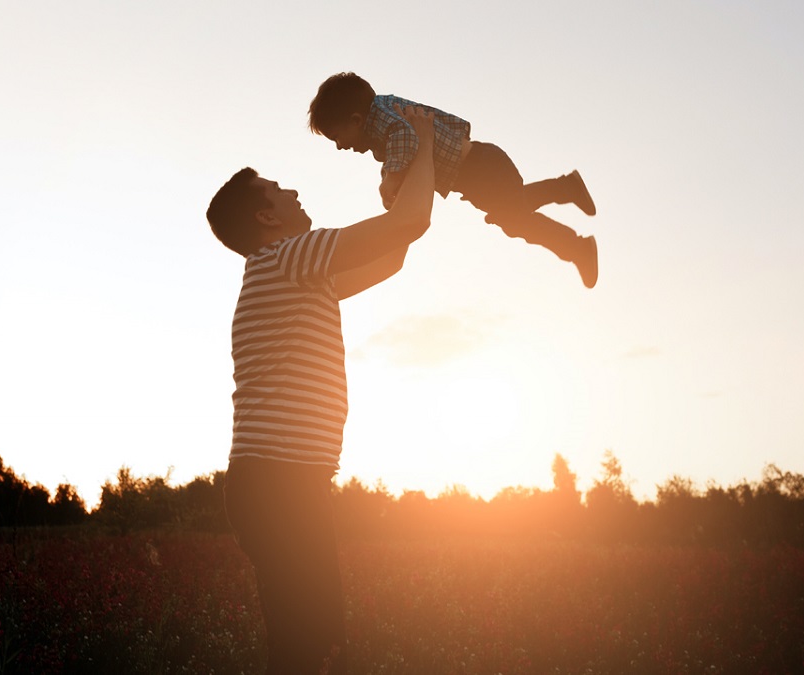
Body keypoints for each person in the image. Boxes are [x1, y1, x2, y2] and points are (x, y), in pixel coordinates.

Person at [206, 105, 438, 674]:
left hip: (289, 481)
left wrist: (400, 185)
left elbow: (394, 253)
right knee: (305, 646)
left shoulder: (300, 272)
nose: (292, 191)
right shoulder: (287, 258)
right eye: (279, 189)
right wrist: (427, 146)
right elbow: (411, 224)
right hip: (276, 482)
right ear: (266, 216)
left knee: (318, 642)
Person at [308, 71, 600, 288]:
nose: (339, 146)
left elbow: (406, 137)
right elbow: (407, 141)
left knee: (514, 220)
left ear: (356, 120)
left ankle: (577, 246)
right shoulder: (385, 116)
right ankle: (566, 190)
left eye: (336, 137)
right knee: (513, 212)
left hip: (481, 168)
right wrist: (389, 177)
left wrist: (390, 181)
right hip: (479, 170)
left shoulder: (384, 120)